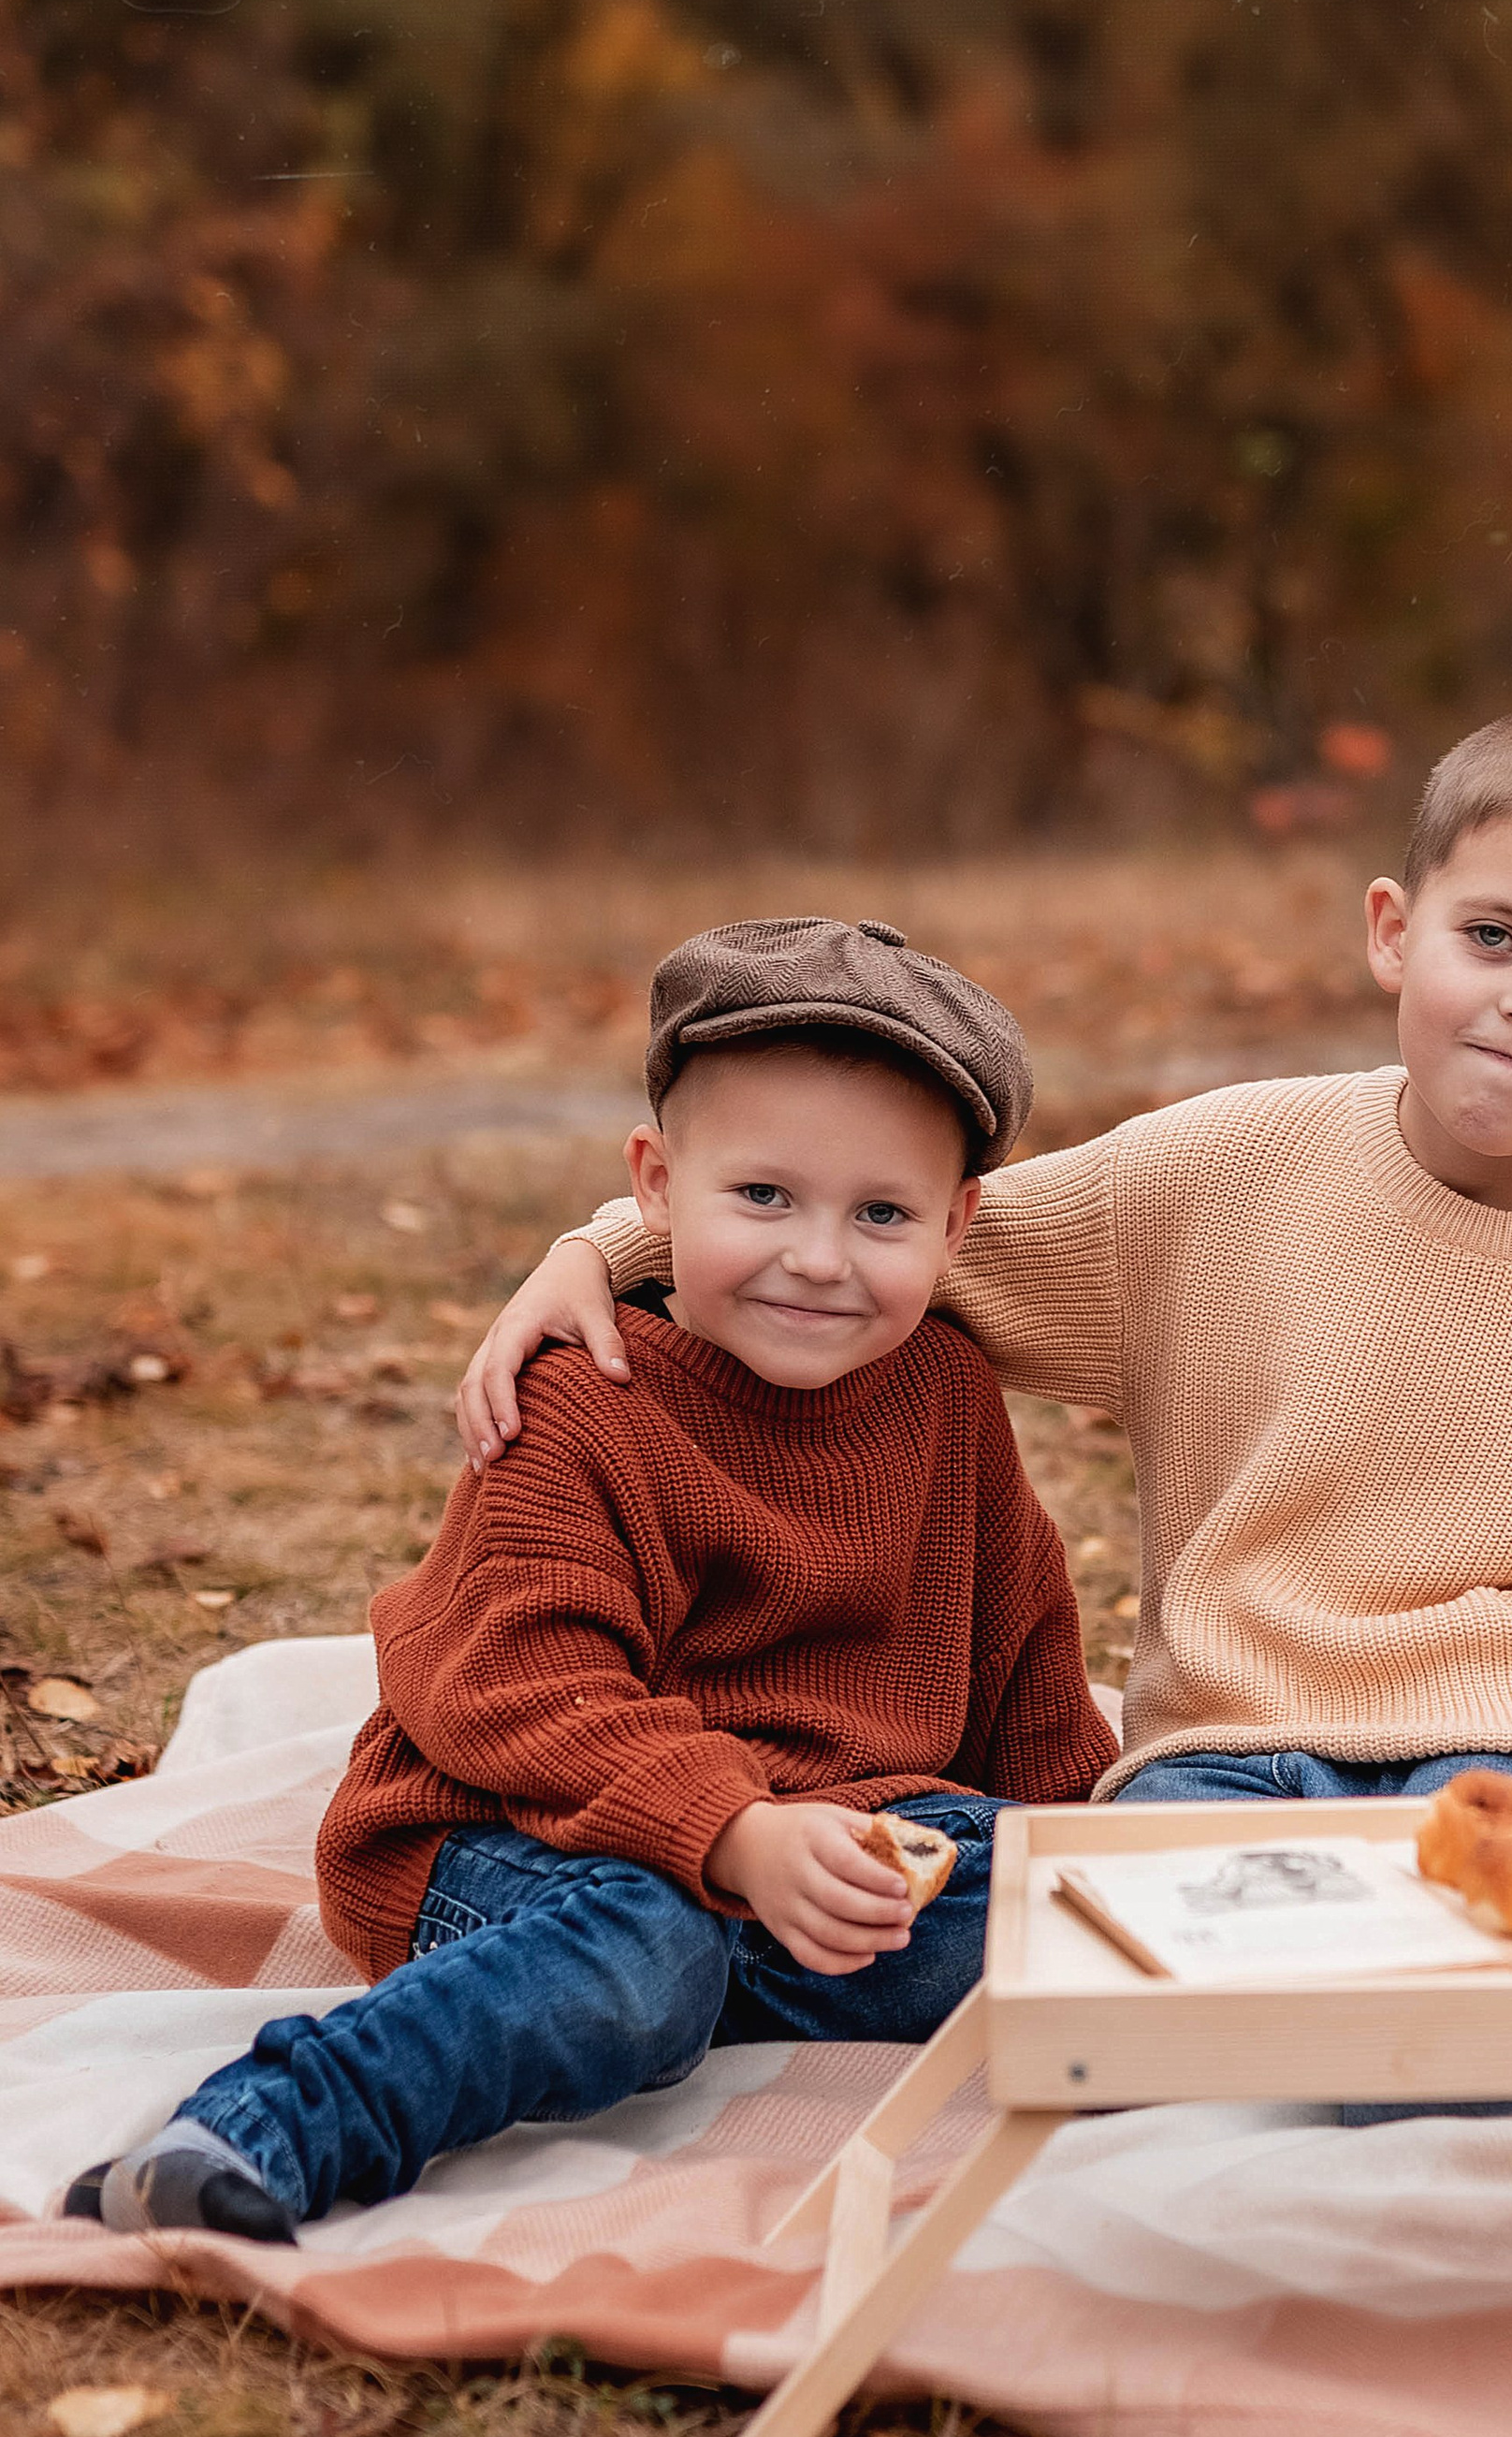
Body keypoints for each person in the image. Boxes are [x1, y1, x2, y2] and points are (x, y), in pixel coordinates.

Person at [453, 707, 1512, 1834]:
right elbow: (909, 1243)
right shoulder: (1221, 1172)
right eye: (1494, 937)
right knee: (1174, 1982)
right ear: (1396, 931)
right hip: (1234, 1755)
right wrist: (611, 1244)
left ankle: (1494, 2085)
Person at [69, 919, 1117, 2241]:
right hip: (522, 1835)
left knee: (1039, 1901)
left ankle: (743, 1965)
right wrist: (733, 1836)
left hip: (820, 1836)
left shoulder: (947, 1395)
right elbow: (527, 1690)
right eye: (764, 1197)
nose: (819, 1255)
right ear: (655, 1187)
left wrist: (1077, 1852)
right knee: (648, 1948)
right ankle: (264, 2124)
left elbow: (1023, 1654)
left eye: (883, 1214)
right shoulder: (583, 1400)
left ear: (956, 1222)